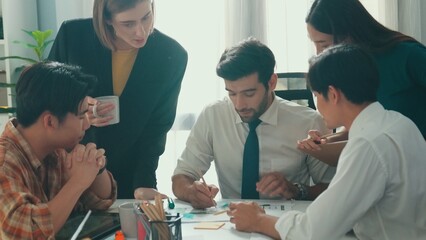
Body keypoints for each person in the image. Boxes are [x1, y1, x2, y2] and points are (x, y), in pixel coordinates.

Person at [228, 44, 426, 240]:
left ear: (332, 94)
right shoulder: (399, 123)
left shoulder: (366, 145)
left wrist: (259, 220)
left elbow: (312, 232)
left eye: (315, 95)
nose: (316, 104)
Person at [172, 38, 335, 209]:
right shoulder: (213, 115)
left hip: (286, 224)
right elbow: (181, 176)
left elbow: (333, 189)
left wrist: (295, 190)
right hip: (232, 223)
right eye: (232, 93)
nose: (239, 105)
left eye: (249, 93)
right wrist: (192, 191)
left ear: (271, 83)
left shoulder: (308, 122)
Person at [48, 0, 188, 199]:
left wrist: (144, 184)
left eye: (146, 17)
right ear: (107, 19)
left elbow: (156, 128)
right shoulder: (73, 36)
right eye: (128, 24)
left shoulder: (172, 55)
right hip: (69, 169)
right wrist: (76, 107)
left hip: (128, 179)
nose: (141, 32)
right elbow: (45, 100)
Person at [298, 0, 426, 166]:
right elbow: (363, 124)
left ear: (349, 33)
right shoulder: (351, 69)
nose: (319, 52)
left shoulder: (408, 56)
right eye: (314, 44)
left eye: (325, 44)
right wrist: (324, 141)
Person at [0, 62, 117, 239]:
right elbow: (29, 233)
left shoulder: (56, 149)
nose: (87, 124)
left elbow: (101, 202)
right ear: (50, 122)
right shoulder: (4, 163)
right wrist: (78, 182)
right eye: (80, 116)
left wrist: (96, 167)